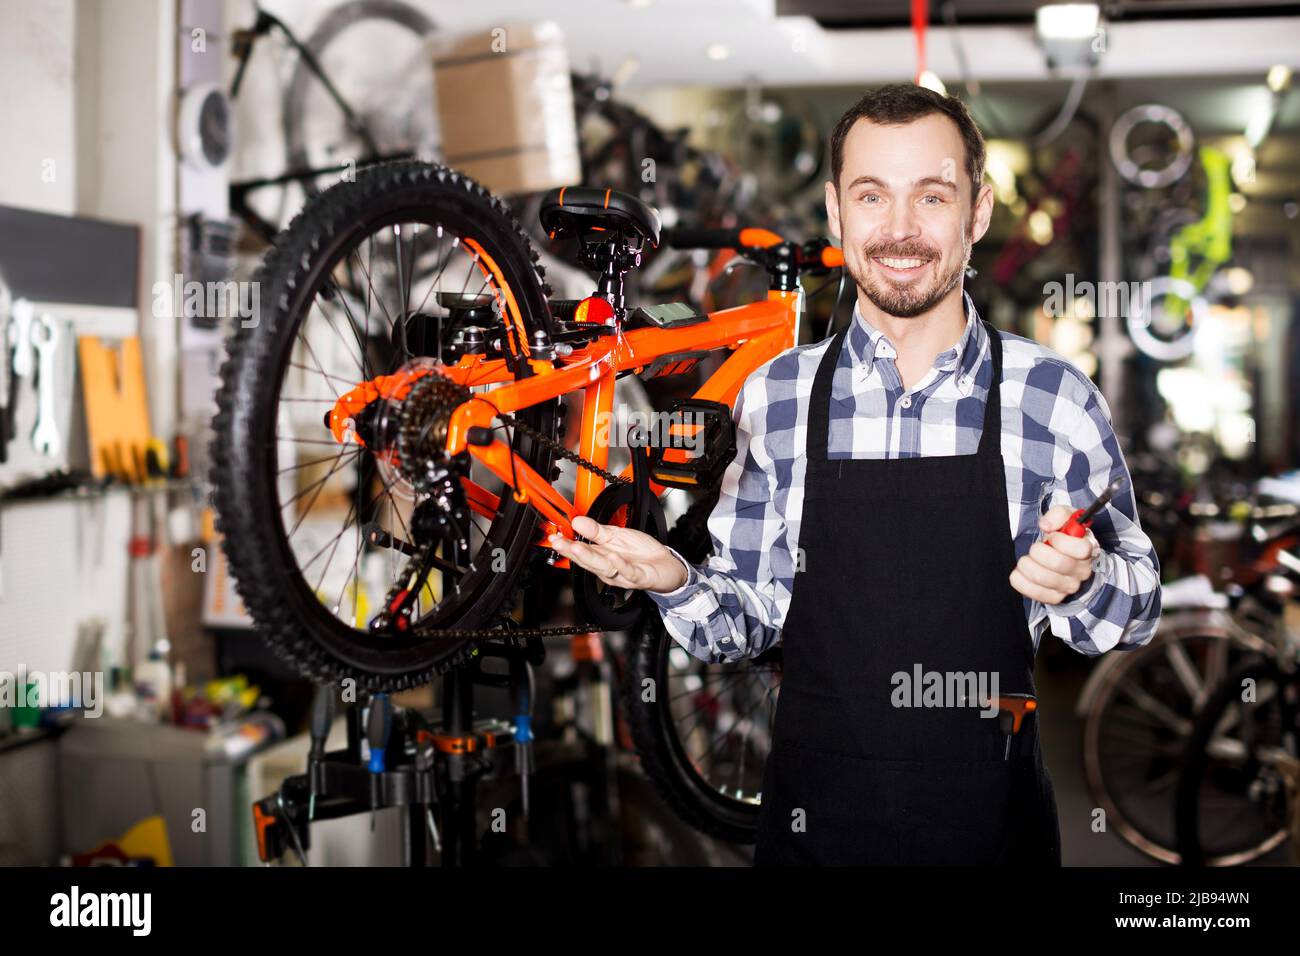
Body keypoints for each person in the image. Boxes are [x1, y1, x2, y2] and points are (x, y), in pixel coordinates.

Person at [548, 84, 1162, 865]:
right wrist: (674, 579)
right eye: (873, 196)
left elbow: (1137, 612)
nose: (900, 230)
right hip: (815, 831)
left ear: (977, 213)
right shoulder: (776, 397)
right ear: (837, 214)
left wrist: (1085, 580)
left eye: (931, 197)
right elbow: (746, 623)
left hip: (990, 831)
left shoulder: (1051, 398)